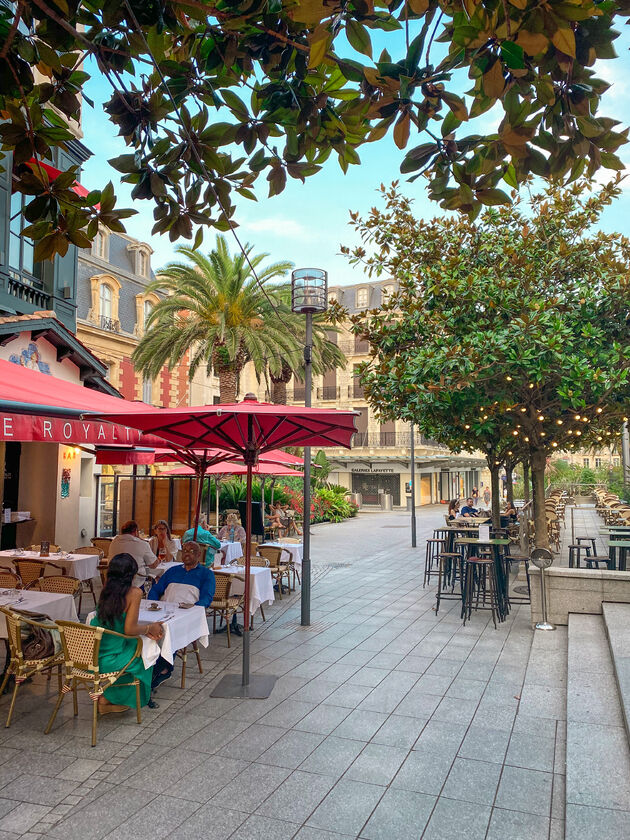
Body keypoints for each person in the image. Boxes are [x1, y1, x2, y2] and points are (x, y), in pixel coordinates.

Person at [90, 553, 163, 715]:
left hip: (92, 653)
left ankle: (107, 697)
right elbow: (129, 630)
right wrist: (150, 628)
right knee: (146, 651)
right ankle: (110, 698)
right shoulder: (134, 593)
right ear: (132, 574)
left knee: (136, 646)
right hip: (110, 657)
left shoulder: (105, 591)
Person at [147, 541, 215, 689]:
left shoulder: (206, 574)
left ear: (198, 555)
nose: (186, 554)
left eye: (191, 551)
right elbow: (156, 589)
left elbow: (207, 598)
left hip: (187, 614)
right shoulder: (172, 571)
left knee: (167, 629)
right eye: (184, 550)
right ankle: (148, 664)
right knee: (147, 627)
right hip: (165, 610)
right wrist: (152, 603)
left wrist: (193, 608)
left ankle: (164, 668)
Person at [108, 520, 159, 589]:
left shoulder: (114, 542)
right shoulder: (142, 544)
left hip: (113, 583)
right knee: (158, 581)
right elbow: (153, 565)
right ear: (136, 531)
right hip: (136, 584)